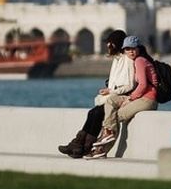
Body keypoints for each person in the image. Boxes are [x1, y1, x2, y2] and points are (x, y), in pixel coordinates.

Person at [57, 29, 135, 158]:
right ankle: (78, 145)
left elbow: (130, 85)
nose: (107, 46)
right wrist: (108, 90)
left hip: (122, 97)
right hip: (113, 96)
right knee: (92, 112)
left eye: (110, 43)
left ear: (115, 44)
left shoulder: (128, 60)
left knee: (97, 113)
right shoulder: (117, 59)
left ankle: (84, 147)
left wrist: (111, 91)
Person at [85, 35, 159, 159]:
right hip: (139, 97)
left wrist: (130, 99)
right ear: (124, 50)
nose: (131, 51)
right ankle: (107, 135)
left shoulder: (140, 61)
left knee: (116, 116)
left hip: (148, 99)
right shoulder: (135, 60)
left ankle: (102, 149)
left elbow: (143, 85)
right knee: (111, 100)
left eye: (133, 49)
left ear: (138, 49)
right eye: (127, 49)